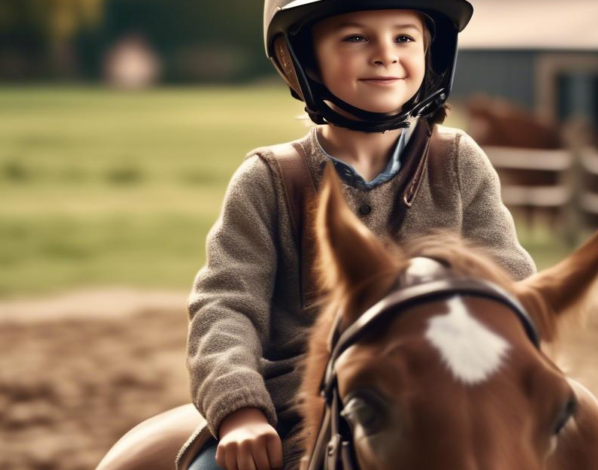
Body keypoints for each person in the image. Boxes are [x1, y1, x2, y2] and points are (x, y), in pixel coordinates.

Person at [181, 1, 536, 470]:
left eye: (405, 37)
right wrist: (240, 411)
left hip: (446, 397)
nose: (385, 54)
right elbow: (225, 304)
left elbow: (509, 284)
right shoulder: (269, 179)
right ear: (303, 60)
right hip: (300, 412)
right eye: (355, 38)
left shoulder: (458, 163)